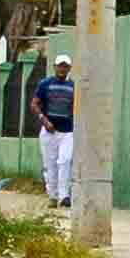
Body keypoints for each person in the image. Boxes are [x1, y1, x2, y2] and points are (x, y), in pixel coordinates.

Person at [31, 53, 78, 206]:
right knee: (50, 164)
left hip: (67, 131)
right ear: (54, 67)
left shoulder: (73, 87)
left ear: (69, 68)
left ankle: (64, 196)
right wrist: (44, 121)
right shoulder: (45, 84)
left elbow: (76, 108)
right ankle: (52, 196)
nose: (62, 69)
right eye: (60, 66)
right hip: (49, 131)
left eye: (65, 66)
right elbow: (34, 104)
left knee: (65, 161)